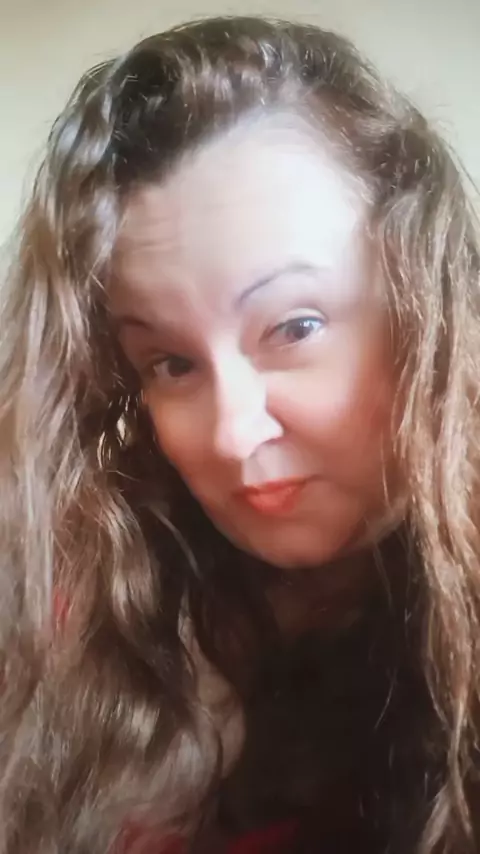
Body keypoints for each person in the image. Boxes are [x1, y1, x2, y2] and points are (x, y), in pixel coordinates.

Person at [1, 13, 479, 854]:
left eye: (295, 327)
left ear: (425, 305)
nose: (230, 435)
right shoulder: (95, 613)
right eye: (172, 363)